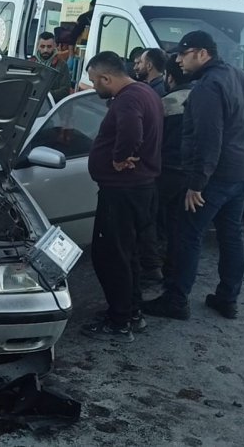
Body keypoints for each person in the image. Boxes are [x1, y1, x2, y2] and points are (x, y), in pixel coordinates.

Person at [143, 31, 244, 321]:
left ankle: (176, 300)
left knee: (186, 235)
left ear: (202, 53)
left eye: (183, 54)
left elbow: (208, 139)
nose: (178, 61)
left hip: (214, 178)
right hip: (242, 172)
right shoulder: (242, 76)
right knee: (232, 235)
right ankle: (227, 298)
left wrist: (196, 184)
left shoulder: (208, 87)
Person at [80, 51, 163, 343]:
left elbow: (130, 129)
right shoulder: (146, 92)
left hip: (122, 191)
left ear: (106, 78)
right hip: (140, 188)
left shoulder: (127, 99)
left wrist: (119, 157)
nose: (94, 87)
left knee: (110, 256)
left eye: (94, 81)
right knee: (129, 254)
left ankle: (118, 322)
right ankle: (132, 314)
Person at [155, 54, 193, 280]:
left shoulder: (167, 103)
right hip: (193, 175)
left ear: (169, 77)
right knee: (183, 228)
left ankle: (162, 272)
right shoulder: (203, 96)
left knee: (161, 226)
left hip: (167, 172)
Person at [30, 32, 72, 102]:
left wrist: (45, 94)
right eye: (42, 46)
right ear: (38, 46)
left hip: (52, 105)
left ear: (54, 46)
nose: (45, 50)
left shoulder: (62, 65)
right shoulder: (30, 63)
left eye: (49, 46)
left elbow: (65, 90)